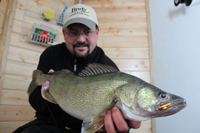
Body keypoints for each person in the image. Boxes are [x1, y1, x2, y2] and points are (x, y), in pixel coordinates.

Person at [13, 3, 141, 133]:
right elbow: (34, 99)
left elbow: (118, 119)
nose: (80, 39)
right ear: (64, 33)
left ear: (96, 32)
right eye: (73, 32)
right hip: (48, 124)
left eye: (87, 32)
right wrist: (52, 93)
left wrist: (119, 127)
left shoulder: (109, 68)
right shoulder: (51, 54)